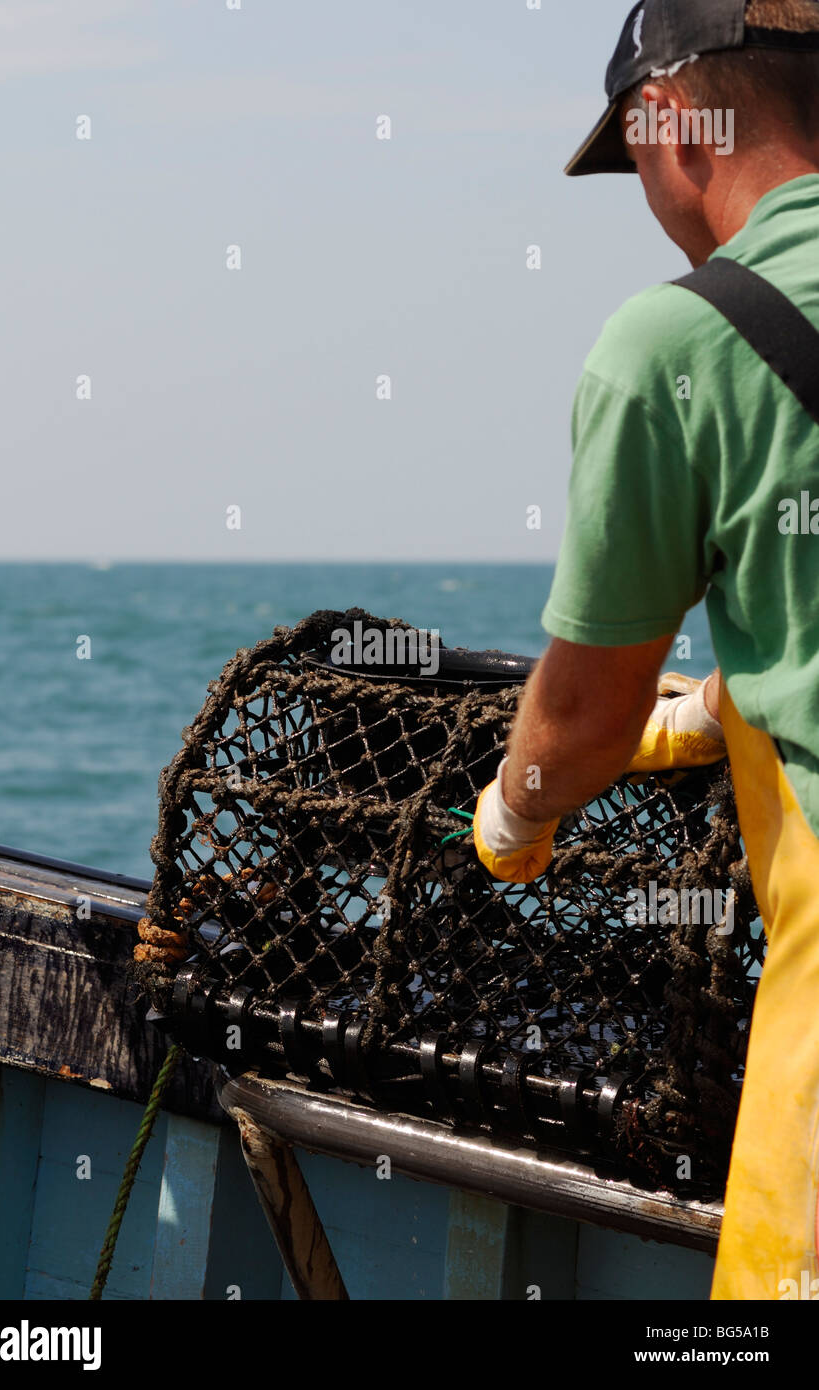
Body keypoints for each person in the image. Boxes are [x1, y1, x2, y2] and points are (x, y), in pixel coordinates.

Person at [473, 0, 819, 1301]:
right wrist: (739, 697)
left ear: (670, 120)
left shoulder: (671, 345)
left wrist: (513, 814)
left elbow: (578, 722)